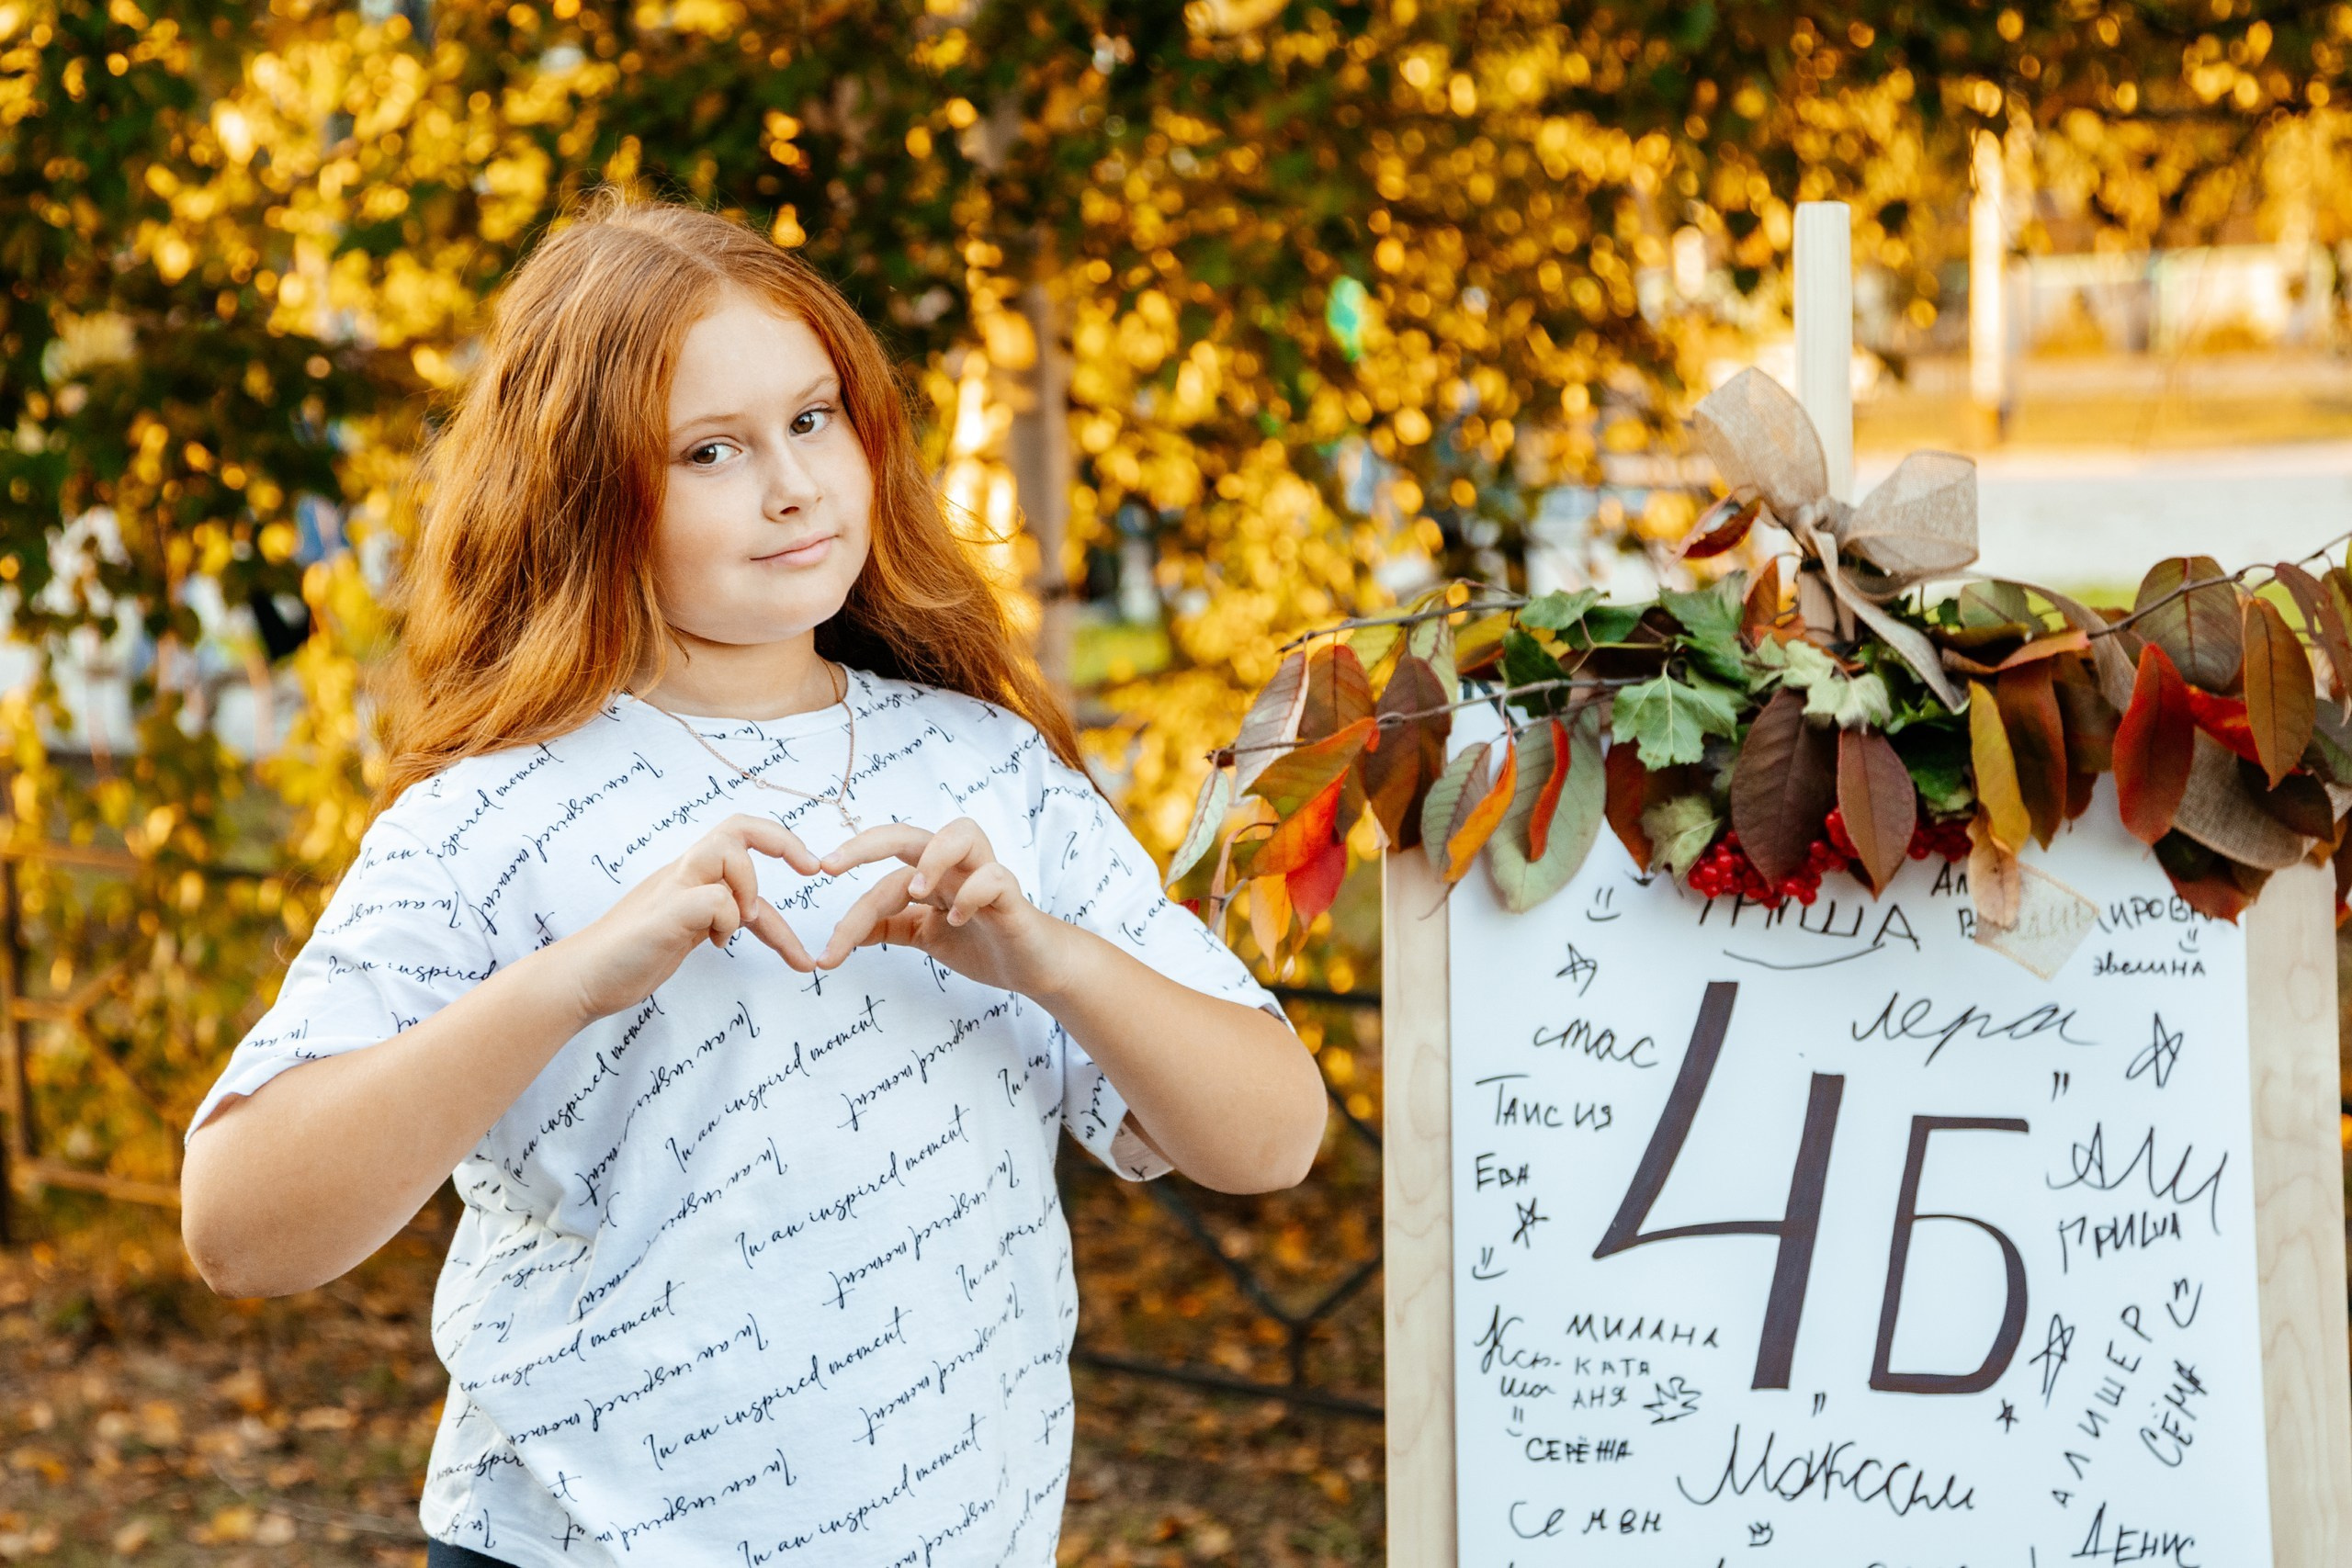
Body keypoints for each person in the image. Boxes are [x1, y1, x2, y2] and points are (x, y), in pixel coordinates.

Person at [176, 194, 1327, 1568]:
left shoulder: (991, 772)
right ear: (584, 485)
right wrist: (570, 982)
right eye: (710, 449)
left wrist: (1050, 956)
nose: (791, 484)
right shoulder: (488, 814)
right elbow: (240, 1229)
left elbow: (1274, 1139)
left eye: (813, 417)